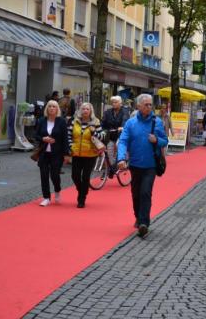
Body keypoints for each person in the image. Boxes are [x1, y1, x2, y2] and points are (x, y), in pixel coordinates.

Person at [116, 94, 169, 238]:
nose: (149, 107)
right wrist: (120, 158)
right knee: (136, 194)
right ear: (138, 106)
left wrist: (156, 139)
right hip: (135, 164)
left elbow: (165, 141)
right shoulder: (130, 123)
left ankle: (144, 223)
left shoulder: (156, 122)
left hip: (151, 165)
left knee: (145, 192)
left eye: (150, 104)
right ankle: (138, 217)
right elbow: (123, 141)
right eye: (146, 104)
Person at [66, 102, 105, 208]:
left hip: (90, 154)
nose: (85, 111)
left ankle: (81, 198)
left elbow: (102, 136)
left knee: (85, 177)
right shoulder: (74, 121)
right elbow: (69, 135)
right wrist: (70, 146)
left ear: (91, 111)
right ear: (80, 110)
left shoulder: (96, 122)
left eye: (87, 109)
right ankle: (82, 190)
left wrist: (94, 132)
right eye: (83, 109)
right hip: (77, 153)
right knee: (75, 176)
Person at [35, 100, 69, 206]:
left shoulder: (61, 121)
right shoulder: (41, 121)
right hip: (44, 152)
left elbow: (65, 138)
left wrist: (66, 154)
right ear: (47, 109)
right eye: (49, 106)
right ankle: (46, 197)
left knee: (54, 175)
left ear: (57, 109)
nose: (51, 108)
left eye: (54, 106)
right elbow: (35, 135)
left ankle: (57, 190)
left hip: (57, 153)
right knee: (44, 175)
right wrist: (43, 138)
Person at [102, 96, 129, 174]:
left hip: (121, 134)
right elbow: (103, 122)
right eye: (113, 102)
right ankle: (113, 167)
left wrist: (122, 127)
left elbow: (125, 119)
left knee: (118, 146)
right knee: (109, 152)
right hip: (110, 135)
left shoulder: (124, 111)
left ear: (120, 103)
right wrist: (101, 128)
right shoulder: (108, 112)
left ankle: (123, 160)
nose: (114, 104)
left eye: (116, 102)